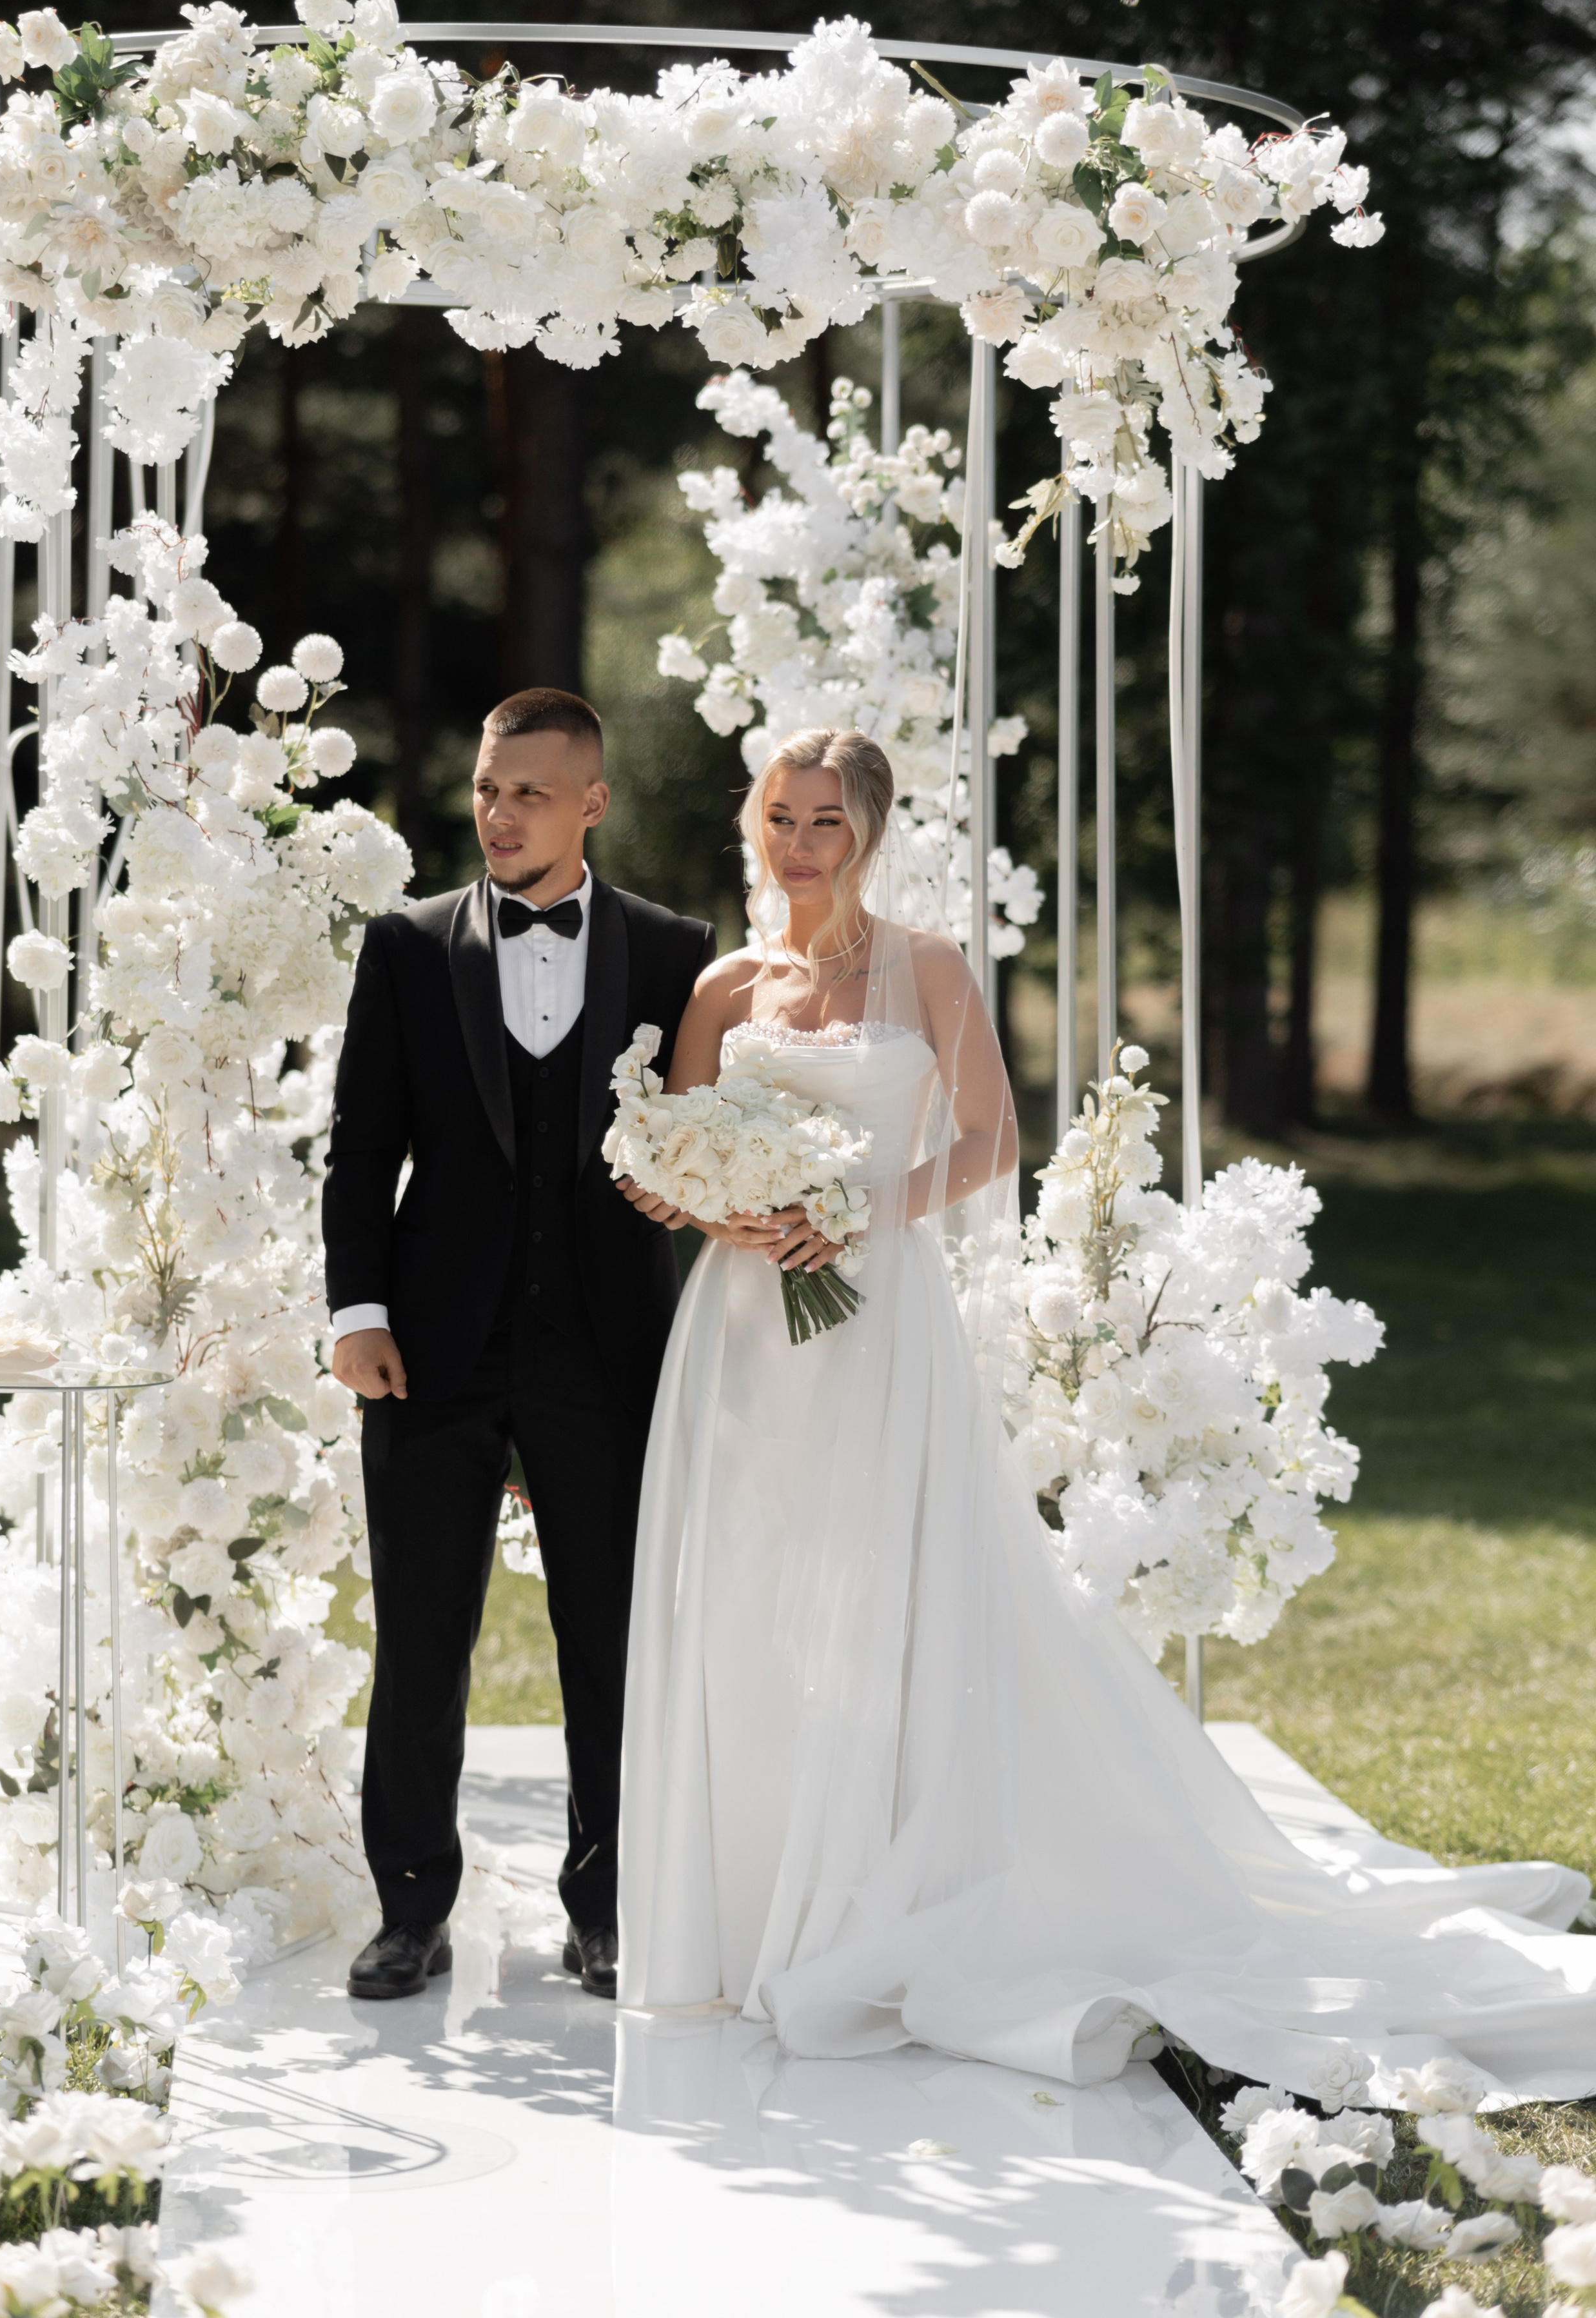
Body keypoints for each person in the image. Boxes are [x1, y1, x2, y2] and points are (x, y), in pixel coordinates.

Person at [616, 724, 1596, 2105]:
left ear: (871, 833)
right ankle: (742, 1894)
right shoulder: (723, 984)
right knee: (748, 1588)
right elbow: (675, 1140)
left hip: (870, 1307)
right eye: (779, 815)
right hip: (737, 1327)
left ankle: (873, 1889)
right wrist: (693, 1192)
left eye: (825, 820)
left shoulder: (929, 968)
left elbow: (984, 1139)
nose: (796, 843)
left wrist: (848, 1211)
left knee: (889, 1589)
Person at [324, 689, 713, 2003]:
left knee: (607, 1641)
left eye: (528, 794)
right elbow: (361, 1152)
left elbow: (702, 1142)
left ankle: (603, 1907)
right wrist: (355, 1313)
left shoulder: (674, 953)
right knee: (422, 1641)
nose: (498, 814)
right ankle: (410, 1910)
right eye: (488, 790)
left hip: (606, 1350)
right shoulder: (407, 944)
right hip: (428, 1348)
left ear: (591, 802)